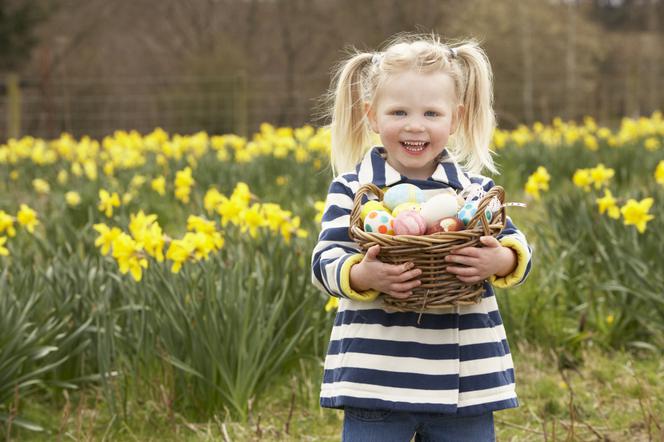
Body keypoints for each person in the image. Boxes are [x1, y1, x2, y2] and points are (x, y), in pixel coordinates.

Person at [311, 33, 532, 441]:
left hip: (467, 383)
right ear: (372, 116)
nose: (415, 125)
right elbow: (324, 261)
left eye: (432, 113)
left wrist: (499, 261)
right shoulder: (355, 190)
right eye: (398, 112)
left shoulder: (474, 193)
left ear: (456, 118)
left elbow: (518, 248)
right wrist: (362, 275)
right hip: (376, 376)